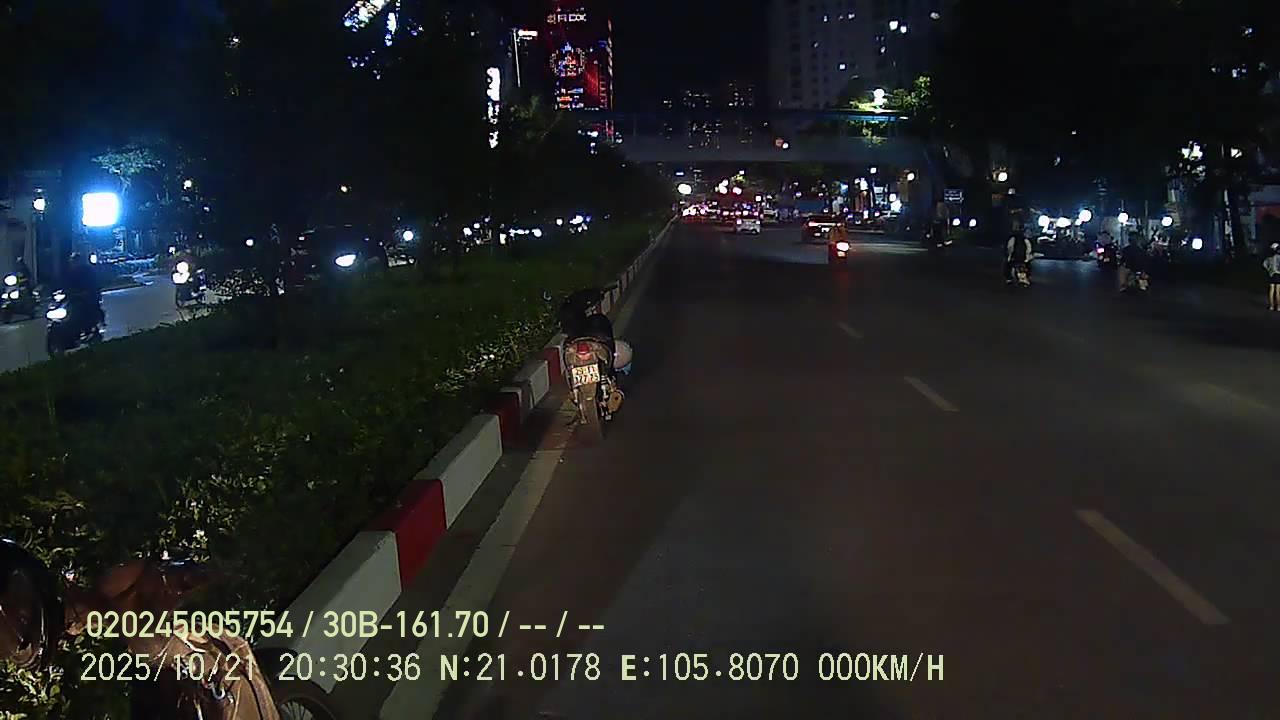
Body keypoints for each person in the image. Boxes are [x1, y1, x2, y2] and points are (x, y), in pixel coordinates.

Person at [64, 252, 104, 330]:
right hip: (75, 297)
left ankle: (96, 322)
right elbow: (66, 284)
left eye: (75, 261)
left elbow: (94, 283)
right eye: (73, 261)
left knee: (92, 307)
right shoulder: (70, 272)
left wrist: (89, 292)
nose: (74, 263)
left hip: (88, 296)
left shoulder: (88, 270)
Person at [1264, 243, 1280, 311]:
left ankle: (1271, 306)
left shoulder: (1269, 258)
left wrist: (1269, 270)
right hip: (1278, 275)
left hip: (1271, 275)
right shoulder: (1279, 257)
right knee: (1278, 291)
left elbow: (1264, 265)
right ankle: (1278, 307)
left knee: (1271, 290)